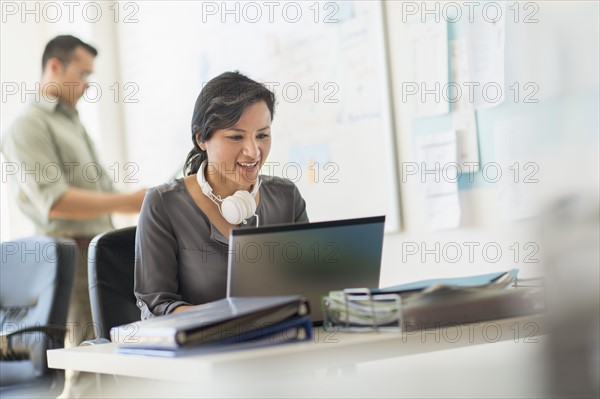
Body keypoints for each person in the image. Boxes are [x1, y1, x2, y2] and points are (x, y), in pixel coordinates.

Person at [1, 35, 146, 397]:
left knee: (114, 362)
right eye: (82, 75)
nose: (86, 85)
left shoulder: (73, 121)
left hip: (102, 251)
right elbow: (55, 202)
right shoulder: (28, 126)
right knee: (88, 367)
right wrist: (125, 200)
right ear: (54, 66)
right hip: (73, 256)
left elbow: (101, 192)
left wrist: (140, 201)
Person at [134, 71, 308, 319]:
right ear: (201, 139)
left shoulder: (286, 197)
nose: (253, 151)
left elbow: (309, 288)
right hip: (201, 351)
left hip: (281, 344)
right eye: (236, 137)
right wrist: (231, 319)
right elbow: (156, 307)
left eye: (262, 135)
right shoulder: (163, 204)